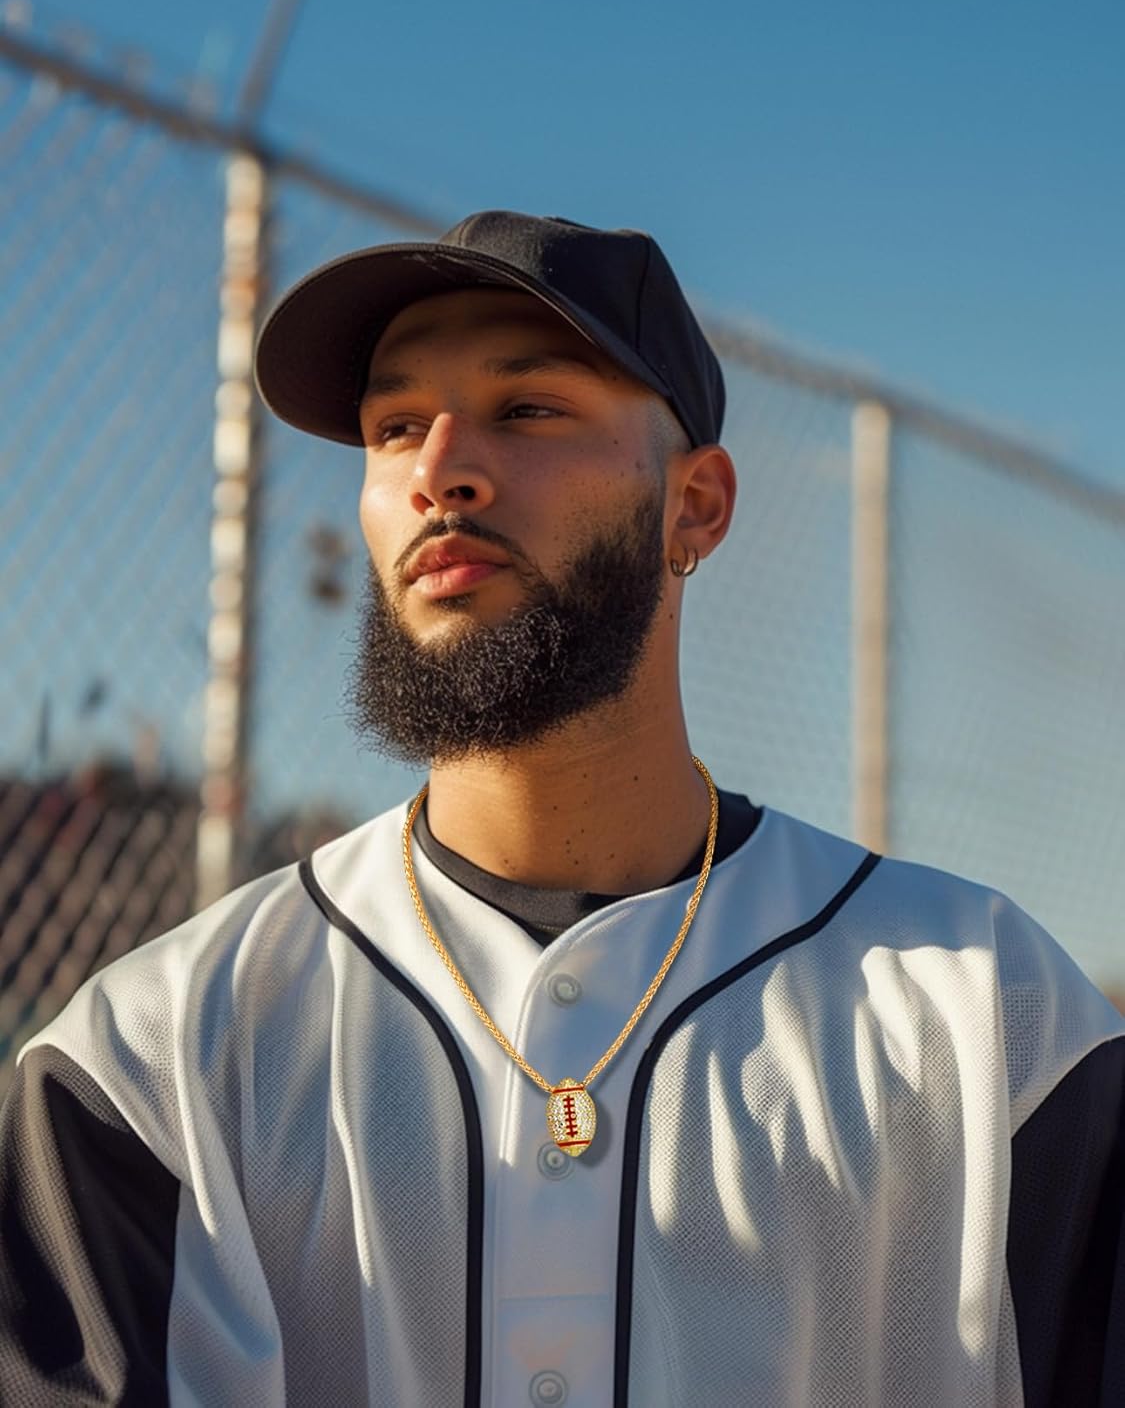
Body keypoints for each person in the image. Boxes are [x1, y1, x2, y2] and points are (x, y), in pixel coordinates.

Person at [0, 211, 1121, 1407]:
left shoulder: (987, 1021)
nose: (438, 469)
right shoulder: (154, 1056)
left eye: (527, 408)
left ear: (697, 507)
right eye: (391, 429)